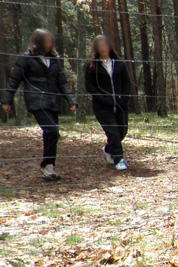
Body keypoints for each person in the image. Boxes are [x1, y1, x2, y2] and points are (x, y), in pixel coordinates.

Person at [2, 29, 78, 180]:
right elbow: (14, 80)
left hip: (53, 101)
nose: (50, 44)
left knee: (52, 134)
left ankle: (49, 165)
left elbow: (62, 82)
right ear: (38, 41)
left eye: (51, 41)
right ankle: (46, 164)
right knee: (52, 130)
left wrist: (72, 100)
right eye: (47, 41)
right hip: (36, 100)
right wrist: (6, 100)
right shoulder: (26, 58)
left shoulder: (55, 59)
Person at [85, 35, 131, 171]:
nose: (103, 48)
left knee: (122, 132)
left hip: (120, 105)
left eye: (105, 45)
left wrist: (124, 98)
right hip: (102, 106)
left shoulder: (120, 63)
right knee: (113, 132)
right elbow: (89, 86)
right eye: (100, 46)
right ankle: (119, 159)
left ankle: (108, 149)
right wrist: (103, 99)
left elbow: (127, 82)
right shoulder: (91, 65)